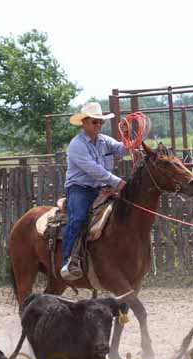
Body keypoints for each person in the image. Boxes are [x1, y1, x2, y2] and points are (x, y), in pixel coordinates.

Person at [60, 102, 128, 281]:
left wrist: (129, 138)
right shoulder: (77, 145)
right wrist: (117, 181)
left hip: (102, 188)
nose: (98, 125)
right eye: (94, 122)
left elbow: (123, 149)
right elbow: (93, 169)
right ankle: (69, 260)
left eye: (100, 122)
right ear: (84, 122)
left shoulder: (105, 140)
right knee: (79, 217)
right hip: (80, 188)